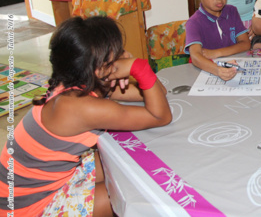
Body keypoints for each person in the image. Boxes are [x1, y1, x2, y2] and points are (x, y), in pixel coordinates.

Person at [0, 16, 172, 216]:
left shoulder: (77, 84)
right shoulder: (82, 107)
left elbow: (160, 92)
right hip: (27, 208)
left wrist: (129, 69)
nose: (125, 55)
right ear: (99, 68)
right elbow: (161, 116)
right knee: (127, 193)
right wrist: (138, 67)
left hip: (39, 185)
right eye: (118, 53)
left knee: (125, 163)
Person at [185, 0, 251, 81]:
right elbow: (196, 56)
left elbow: (246, 43)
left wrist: (216, 53)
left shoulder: (232, 11)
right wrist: (217, 70)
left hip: (232, 70)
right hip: (207, 74)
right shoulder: (193, 23)